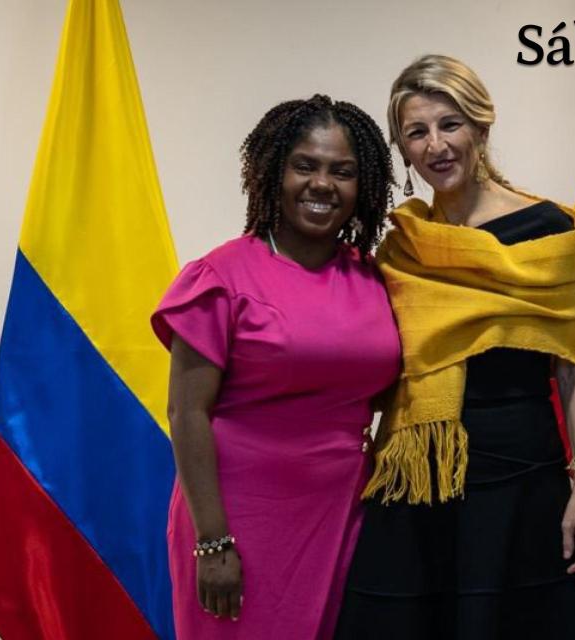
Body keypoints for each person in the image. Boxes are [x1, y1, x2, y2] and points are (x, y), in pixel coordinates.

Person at [335, 55, 575, 639]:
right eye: (417, 132)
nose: (436, 145)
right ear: (403, 149)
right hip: (418, 476)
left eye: (449, 124)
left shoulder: (549, 231)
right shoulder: (404, 246)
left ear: (481, 126)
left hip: (520, 474)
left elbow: (574, 369)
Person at [151, 94, 400, 640]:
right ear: (273, 171)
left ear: (365, 186)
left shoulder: (375, 279)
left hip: (341, 514)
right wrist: (213, 541)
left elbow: (388, 387)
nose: (322, 184)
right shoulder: (222, 276)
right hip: (238, 515)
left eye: (343, 171)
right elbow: (186, 412)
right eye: (304, 166)